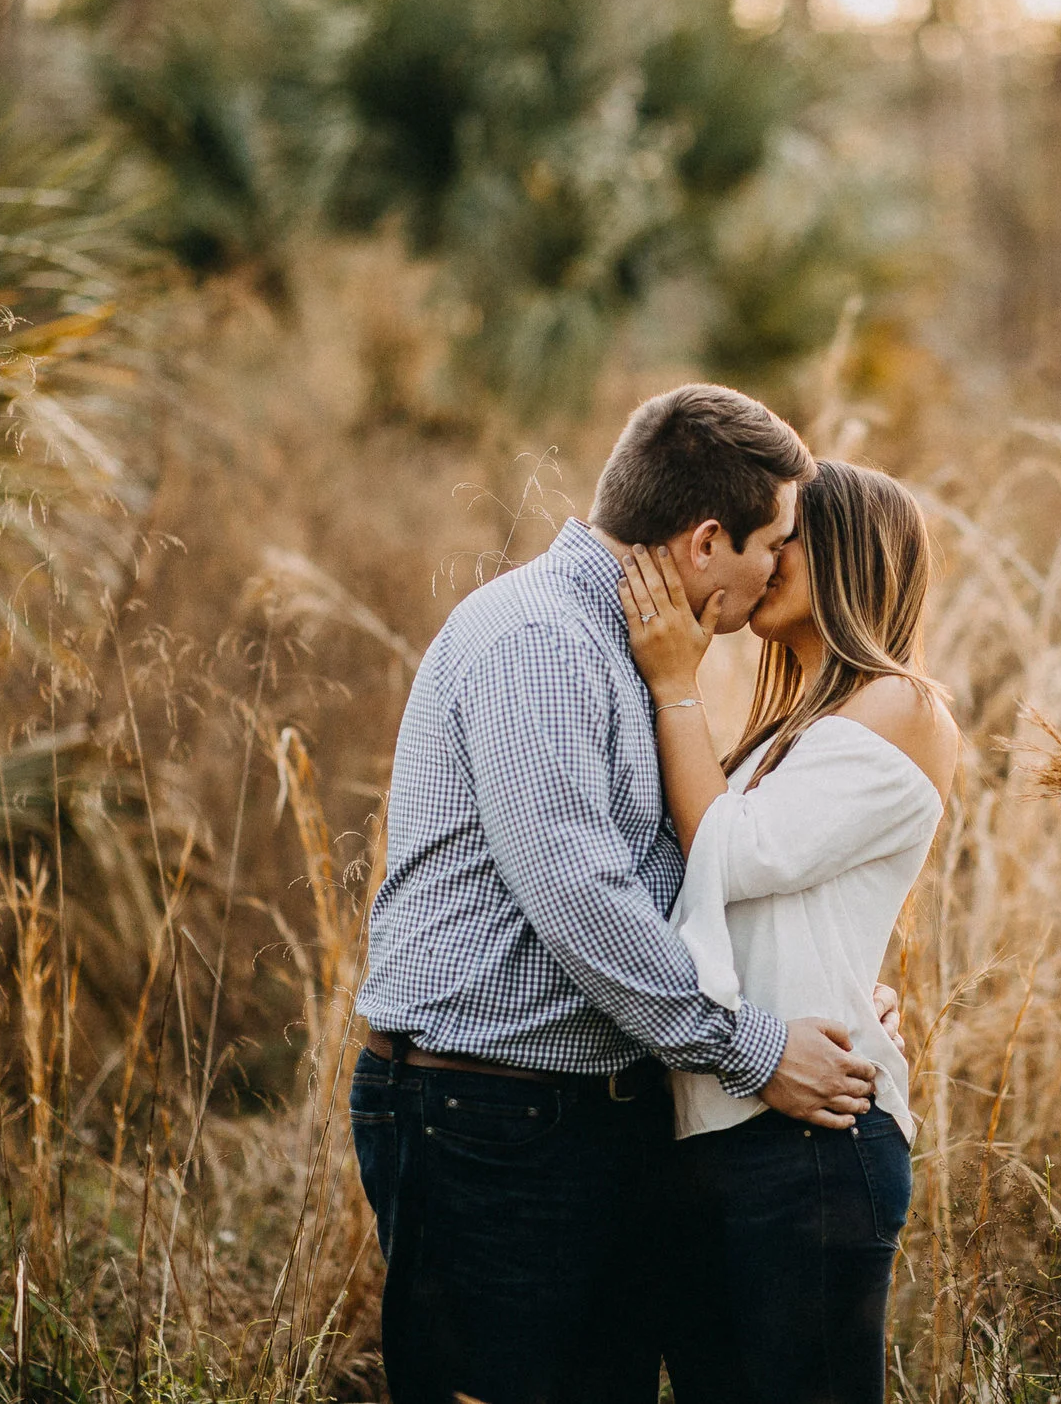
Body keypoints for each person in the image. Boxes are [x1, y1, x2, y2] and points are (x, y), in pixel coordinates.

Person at [351, 384, 890, 1404]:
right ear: (703, 542)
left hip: (589, 1117)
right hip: (489, 1117)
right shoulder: (540, 642)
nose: (784, 566)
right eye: (772, 542)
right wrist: (753, 1046)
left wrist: (822, 987)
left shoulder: (639, 652)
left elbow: (686, 878)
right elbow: (582, 901)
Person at [615, 458, 960, 1404]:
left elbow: (744, 853)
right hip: (723, 1121)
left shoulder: (904, 703)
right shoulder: (776, 735)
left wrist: (674, 681)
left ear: (848, 552)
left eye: (786, 536)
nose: (765, 557)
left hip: (808, 1144)